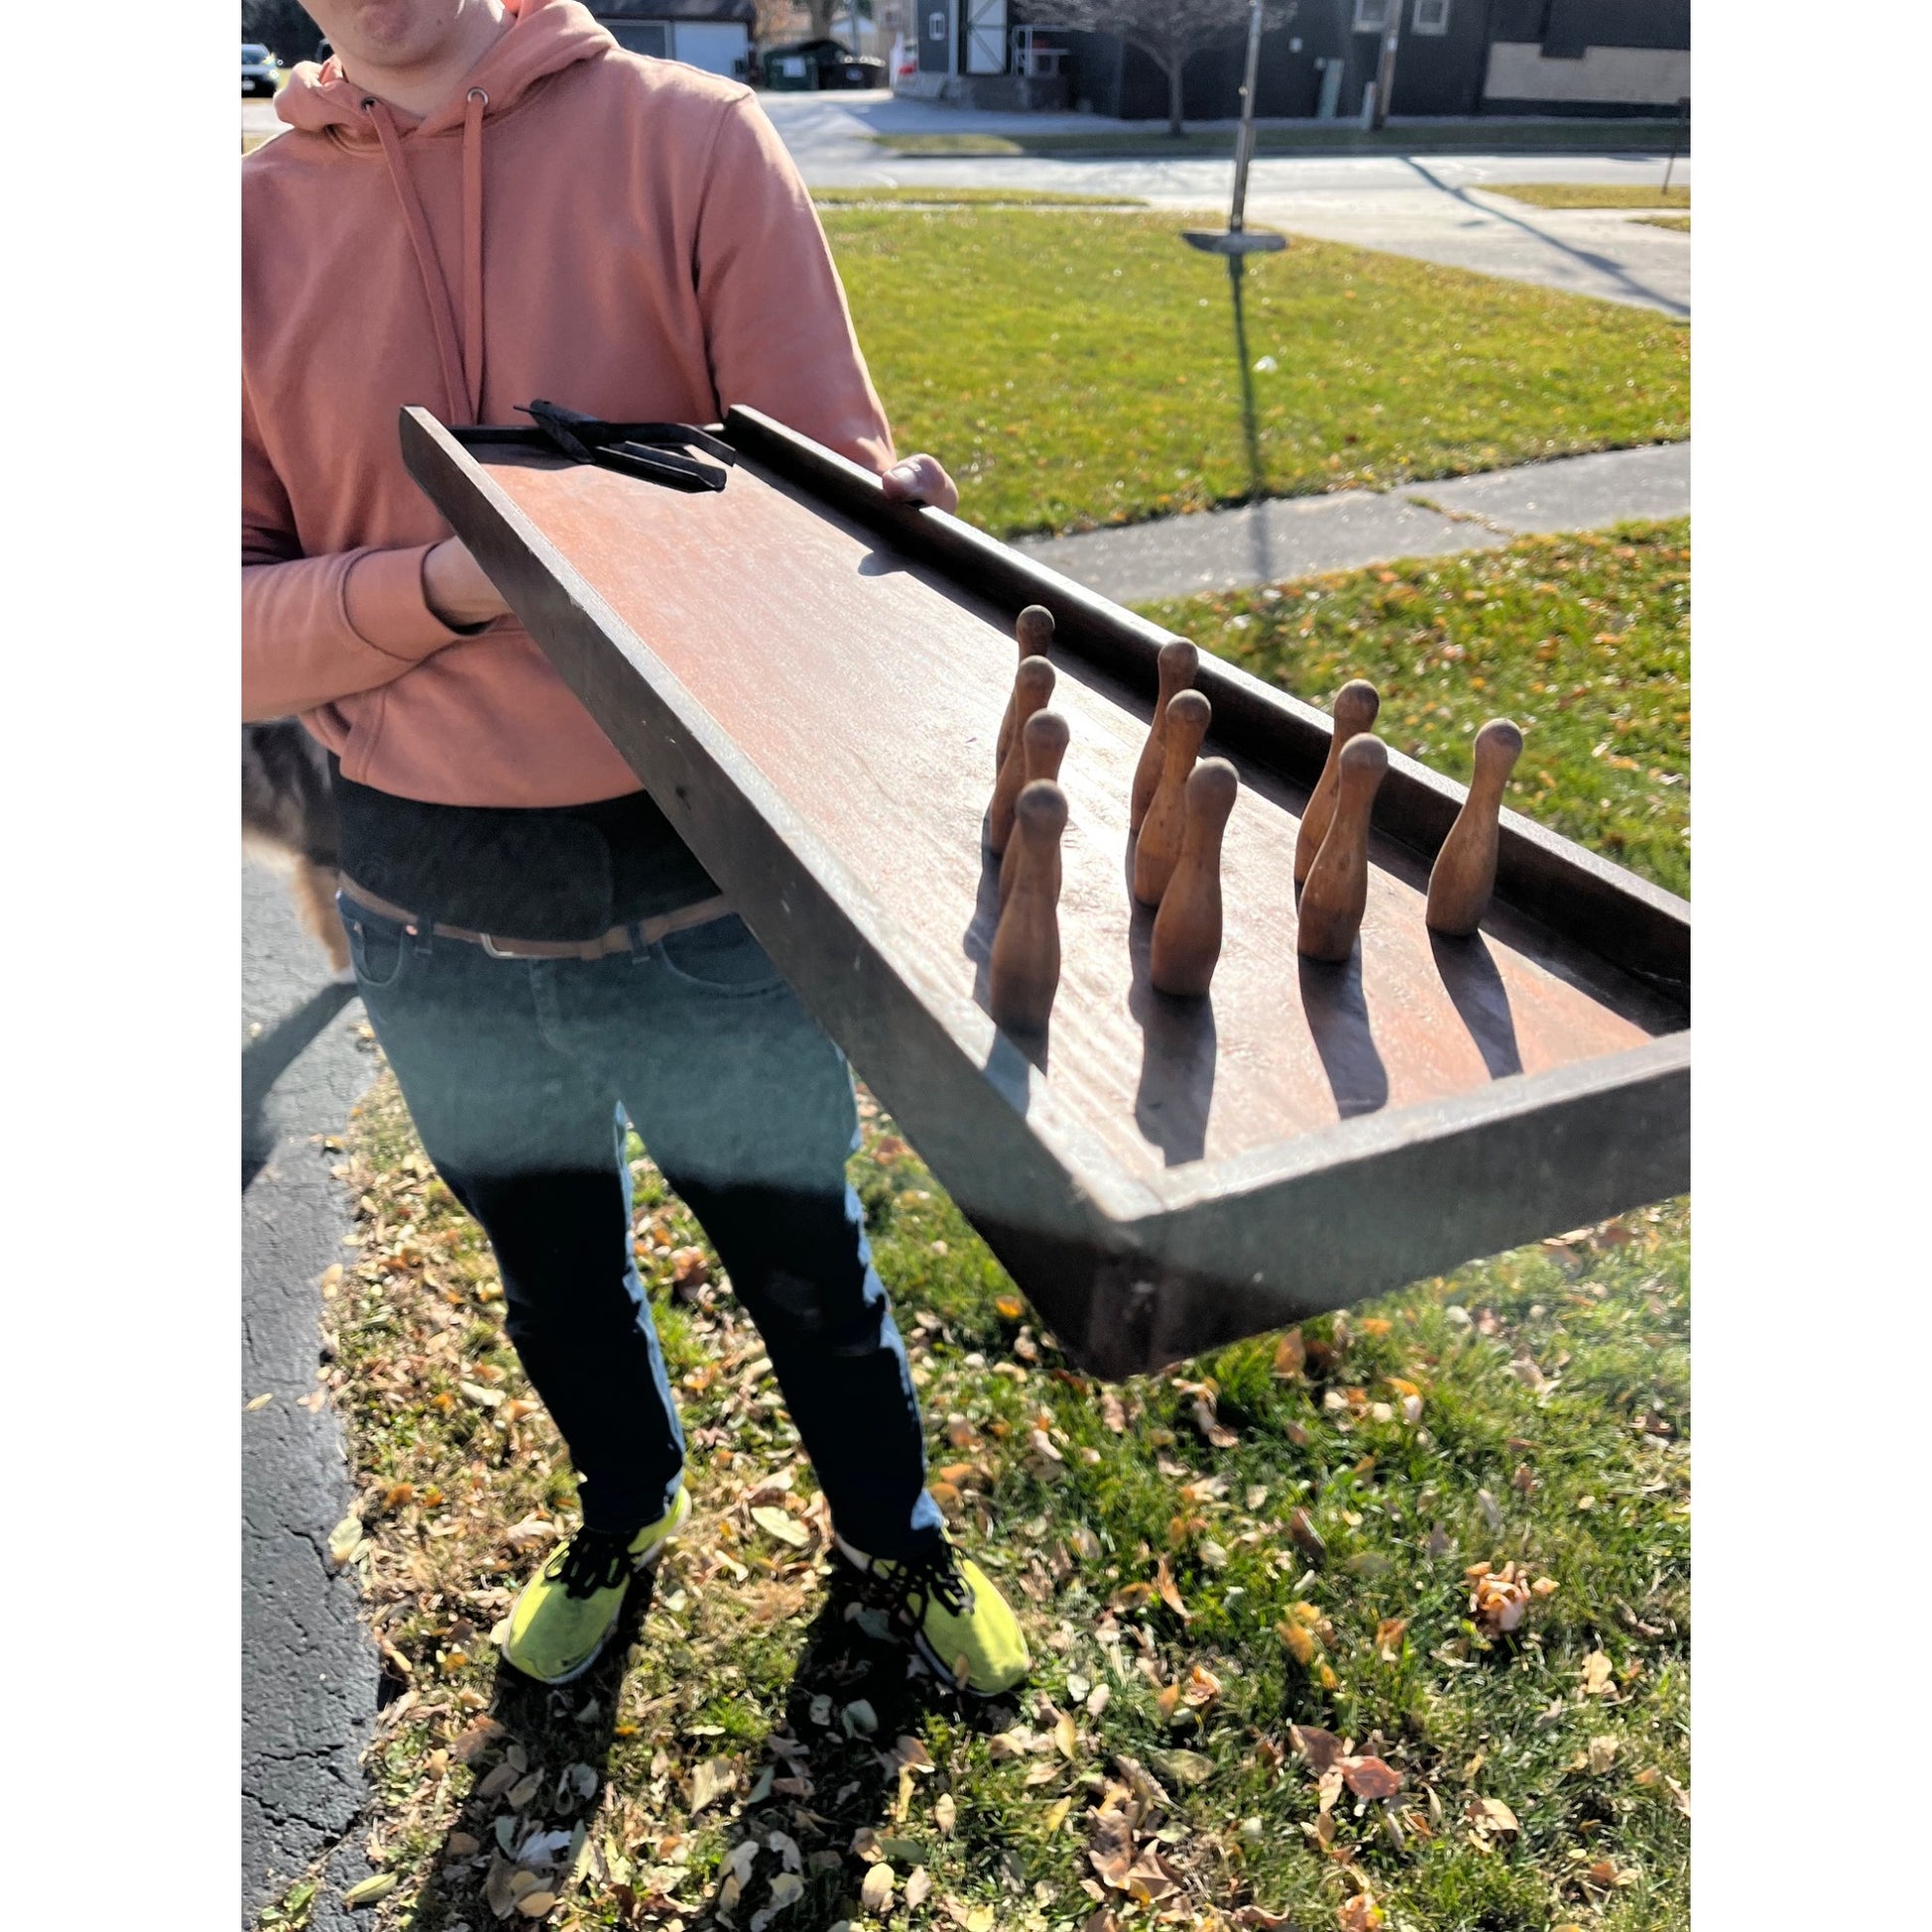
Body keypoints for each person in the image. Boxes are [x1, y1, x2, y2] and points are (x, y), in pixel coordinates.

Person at [243, 0, 1031, 1697]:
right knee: (550, 1272)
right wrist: (452, 583)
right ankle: (625, 1501)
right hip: (422, 902)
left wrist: (884, 541)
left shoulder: (689, 139)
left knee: (803, 1254)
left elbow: (823, 513)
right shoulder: (239, 233)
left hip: (704, 880)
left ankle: (893, 1536)